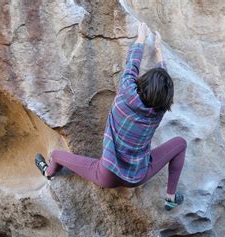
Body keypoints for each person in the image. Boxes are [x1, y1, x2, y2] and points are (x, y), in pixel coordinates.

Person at [34, 22, 187, 211]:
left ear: (143, 82)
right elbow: (162, 89)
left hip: (105, 174)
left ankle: (48, 172)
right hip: (138, 176)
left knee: (56, 155)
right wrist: (158, 51)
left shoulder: (126, 93)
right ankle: (170, 197)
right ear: (165, 98)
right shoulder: (158, 112)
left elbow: (132, 66)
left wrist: (141, 38)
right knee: (180, 143)